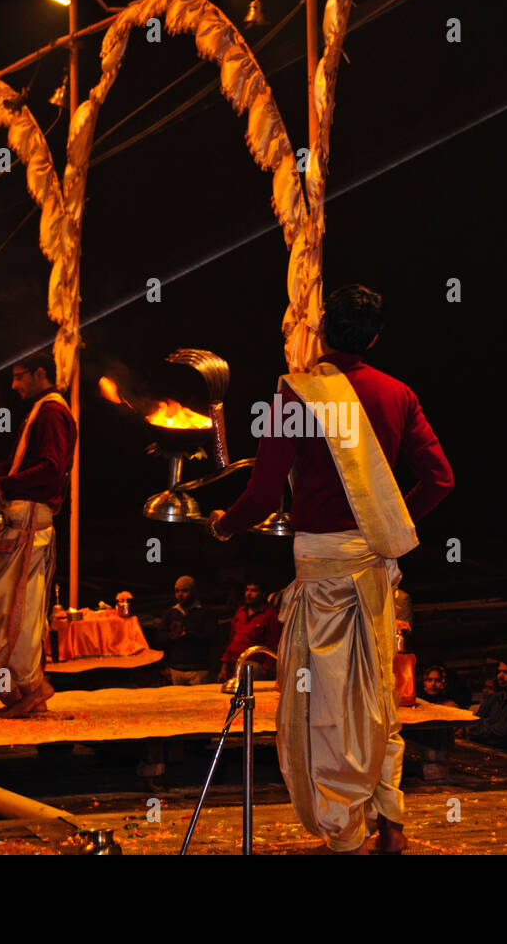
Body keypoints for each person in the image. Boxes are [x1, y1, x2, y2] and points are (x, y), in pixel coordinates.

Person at [208, 284, 454, 854]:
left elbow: (264, 494)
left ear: (320, 333)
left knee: (326, 704)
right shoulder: (398, 394)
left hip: (321, 570)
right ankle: (389, 822)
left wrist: (223, 526)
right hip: (374, 570)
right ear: (374, 337)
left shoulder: (295, 397)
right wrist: (386, 521)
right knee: (378, 697)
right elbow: (440, 480)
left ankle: (344, 834)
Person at [0, 351, 76, 716]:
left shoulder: (53, 412)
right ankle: (20, 689)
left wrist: (1, 484)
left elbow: (50, 469)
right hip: (19, 521)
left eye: (19, 376)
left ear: (40, 373)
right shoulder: (42, 411)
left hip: (27, 525)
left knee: (15, 610)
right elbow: (23, 465)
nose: (14, 386)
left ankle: (29, 687)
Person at [156, 575, 219, 685]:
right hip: (176, 669)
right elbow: (160, 637)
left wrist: (188, 634)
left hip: (198, 670)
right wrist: (172, 635)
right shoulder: (170, 613)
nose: (180, 594)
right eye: (177, 591)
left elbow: (212, 637)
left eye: (185, 591)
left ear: (193, 591)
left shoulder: (205, 612)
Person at [218, 581, 282, 683]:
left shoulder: (270, 614)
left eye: (254, 590)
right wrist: (224, 665)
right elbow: (231, 640)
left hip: (254, 667)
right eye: (247, 590)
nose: (248, 593)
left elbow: (273, 642)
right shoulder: (241, 611)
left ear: (263, 594)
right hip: (234, 664)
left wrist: (267, 668)